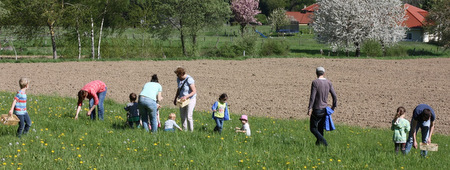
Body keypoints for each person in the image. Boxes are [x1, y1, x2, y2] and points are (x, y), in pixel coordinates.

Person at [307, 67, 337, 146]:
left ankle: (325, 143)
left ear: (316, 73)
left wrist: (310, 108)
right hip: (324, 110)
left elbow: (312, 97)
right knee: (320, 129)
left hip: (317, 109)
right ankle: (318, 145)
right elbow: (334, 96)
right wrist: (333, 106)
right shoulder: (328, 82)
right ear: (324, 73)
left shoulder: (315, 82)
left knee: (313, 128)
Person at [173, 67, 197, 132]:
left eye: (178, 75)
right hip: (182, 100)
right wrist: (175, 98)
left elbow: (194, 91)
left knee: (189, 116)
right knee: (182, 116)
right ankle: (184, 130)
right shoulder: (178, 79)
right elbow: (179, 89)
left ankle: (191, 131)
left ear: (182, 74)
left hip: (190, 99)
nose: (178, 77)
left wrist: (186, 96)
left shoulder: (189, 79)